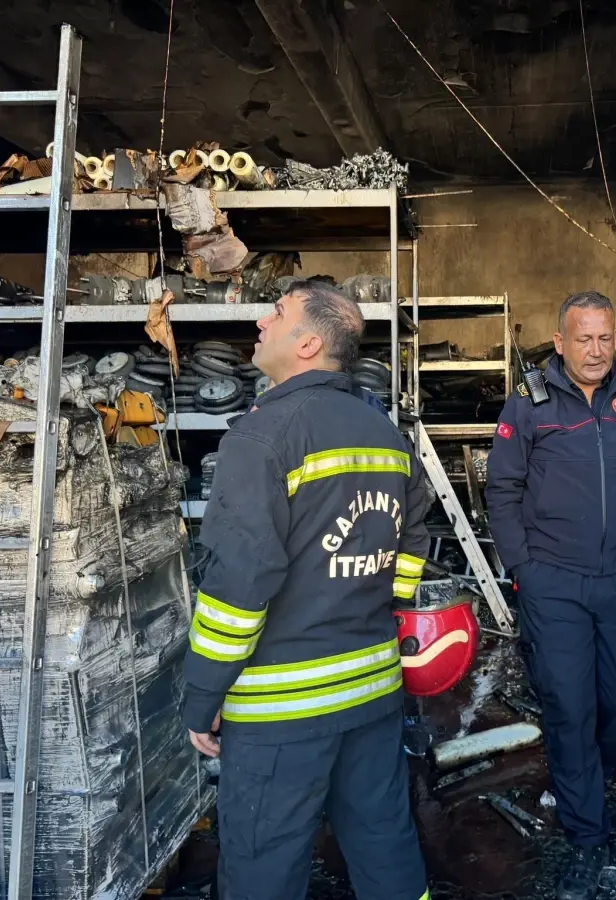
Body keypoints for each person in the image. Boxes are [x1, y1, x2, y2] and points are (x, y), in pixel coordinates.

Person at [180, 278, 433, 900]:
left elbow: (239, 583)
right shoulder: (383, 433)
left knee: (263, 865)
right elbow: (413, 540)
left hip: (282, 710)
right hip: (372, 691)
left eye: (278, 313)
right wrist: (374, 599)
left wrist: (203, 692)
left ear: (310, 342)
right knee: (385, 844)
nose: (261, 322)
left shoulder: (262, 435)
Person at [485, 291, 616, 900]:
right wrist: (524, 568)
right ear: (560, 341)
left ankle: (582, 779)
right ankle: (587, 831)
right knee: (569, 704)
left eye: (604, 338)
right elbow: (503, 488)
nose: (595, 351)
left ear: (613, 338)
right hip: (555, 582)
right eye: (583, 339)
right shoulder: (530, 403)